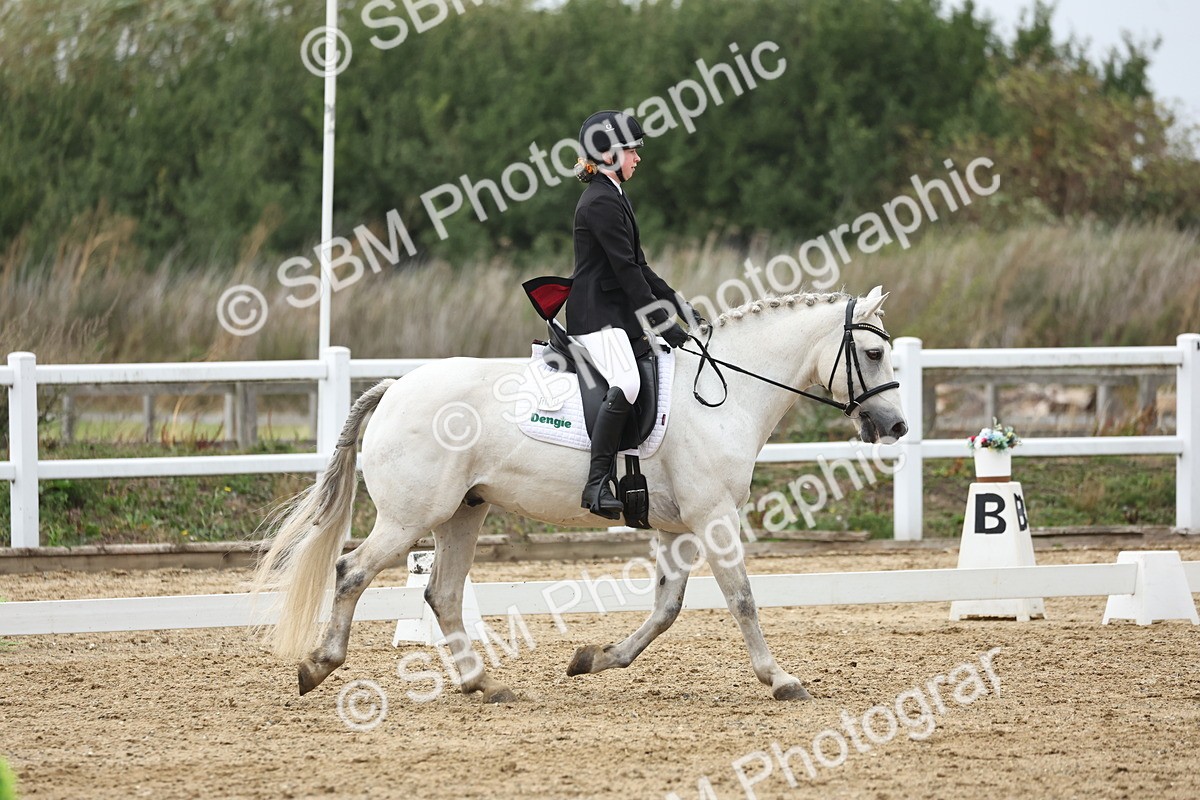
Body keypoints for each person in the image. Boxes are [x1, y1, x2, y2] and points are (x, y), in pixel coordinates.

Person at [568, 110, 702, 519]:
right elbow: (625, 272)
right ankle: (595, 484)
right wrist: (665, 326)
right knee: (625, 382)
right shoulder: (600, 203)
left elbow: (639, 266)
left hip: (616, 315)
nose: (637, 158)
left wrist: (679, 306)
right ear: (608, 155)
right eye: (631, 151)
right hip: (596, 317)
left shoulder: (615, 196)